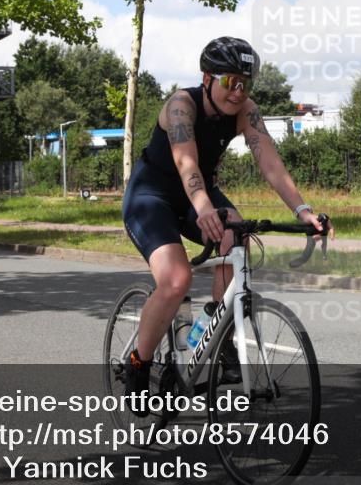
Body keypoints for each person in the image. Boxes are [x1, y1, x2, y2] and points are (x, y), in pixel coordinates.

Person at [121, 36, 333, 409]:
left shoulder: (245, 110)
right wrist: (203, 208)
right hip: (151, 196)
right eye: (228, 81)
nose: (237, 91)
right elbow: (186, 163)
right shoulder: (180, 107)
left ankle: (216, 334)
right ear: (207, 78)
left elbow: (270, 162)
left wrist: (303, 211)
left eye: (244, 83)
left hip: (199, 195)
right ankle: (139, 363)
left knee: (237, 231)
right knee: (176, 280)